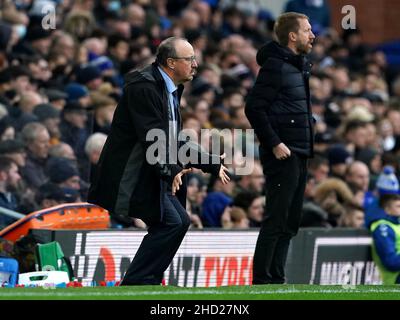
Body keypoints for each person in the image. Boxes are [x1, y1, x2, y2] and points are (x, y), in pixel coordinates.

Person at [88, 37, 230, 286]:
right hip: (134, 173)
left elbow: (173, 140)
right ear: (171, 62)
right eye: (190, 59)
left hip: (155, 171)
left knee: (178, 222)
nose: (195, 64)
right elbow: (153, 138)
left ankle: (146, 280)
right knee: (172, 222)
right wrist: (171, 170)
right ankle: (138, 281)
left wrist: (210, 162)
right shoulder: (144, 88)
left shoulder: (170, 89)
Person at [245, 12, 315, 284]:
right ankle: (263, 279)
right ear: (292, 36)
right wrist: (274, 142)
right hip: (284, 153)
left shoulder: (298, 66)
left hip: (299, 150)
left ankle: (277, 277)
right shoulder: (275, 66)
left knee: (290, 220)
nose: (313, 36)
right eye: (307, 30)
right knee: (277, 217)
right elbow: (254, 108)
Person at [369, 194, 400, 284]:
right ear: (387, 210)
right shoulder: (383, 228)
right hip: (394, 280)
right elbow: (391, 262)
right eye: (398, 206)